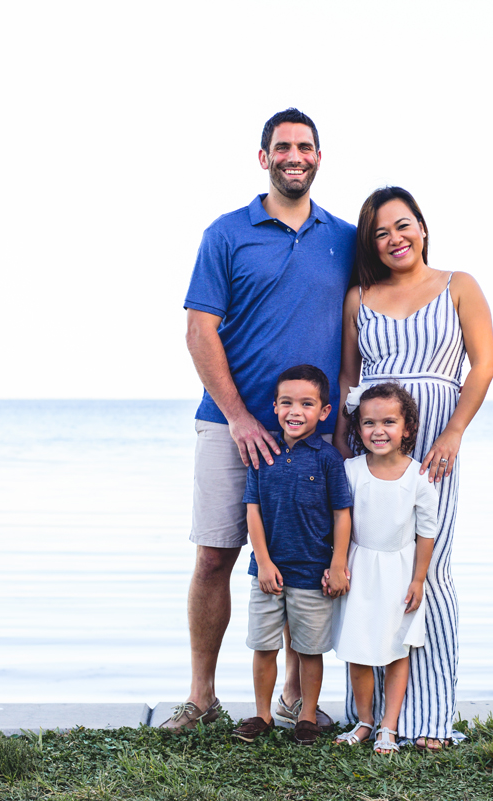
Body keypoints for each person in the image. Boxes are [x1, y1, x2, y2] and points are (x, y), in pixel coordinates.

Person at [163, 108, 356, 732]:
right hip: (229, 425)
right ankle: (201, 698)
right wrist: (242, 417)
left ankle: (300, 705)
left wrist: (347, 418)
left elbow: (374, 312)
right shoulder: (226, 234)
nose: (293, 155)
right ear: (264, 157)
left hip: (315, 435)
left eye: (305, 146)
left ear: (319, 157)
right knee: (215, 556)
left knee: (306, 563)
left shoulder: (346, 239)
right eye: (282, 146)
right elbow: (199, 331)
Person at [335, 186, 493, 750]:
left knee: (428, 569)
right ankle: (372, 717)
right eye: (380, 233)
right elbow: (350, 379)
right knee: (367, 572)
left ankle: (429, 718)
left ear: (422, 228)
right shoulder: (359, 297)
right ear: (371, 244)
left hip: (433, 448)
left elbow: (484, 366)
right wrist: (341, 449)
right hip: (368, 444)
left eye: (402, 226)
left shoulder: (458, 286)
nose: (394, 238)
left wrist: (452, 431)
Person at [230, 365, 353, 746]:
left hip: (313, 573)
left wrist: (337, 564)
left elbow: (341, 513)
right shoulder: (262, 454)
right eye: (287, 402)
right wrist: (262, 562)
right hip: (268, 572)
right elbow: (253, 510)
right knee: (264, 645)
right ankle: (263, 715)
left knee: (309, 649)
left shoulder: (328, 458)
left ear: (324, 412)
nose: (295, 411)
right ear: (275, 407)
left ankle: (307, 716)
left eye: (306, 403)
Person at [331, 383, 438, 754]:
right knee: (358, 649)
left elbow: (427, 532)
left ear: (407, 428)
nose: (378, 430)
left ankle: (388, 727)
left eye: (389, 422)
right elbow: (340, 521)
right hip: (359, 568)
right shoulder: (350, 470)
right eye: (368, 422)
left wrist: (419, 580)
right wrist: (339, 565)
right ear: (358, 429)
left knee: (397, 650)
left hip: (399, 572)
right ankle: (364, 721)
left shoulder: (419, 477)